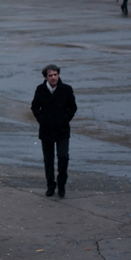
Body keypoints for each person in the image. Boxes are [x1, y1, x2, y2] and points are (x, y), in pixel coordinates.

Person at [30, 64, 77, 198]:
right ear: (46, 77)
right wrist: (42, 119)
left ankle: (61, 185)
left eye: (55, 75)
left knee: (63, 157)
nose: (53, 77)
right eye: (50, 75)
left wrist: (64, 119)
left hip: (62, 129)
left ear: (58, 75)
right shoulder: (40, 89)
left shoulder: (66, 89)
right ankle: (51, 185)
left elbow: (73, 107)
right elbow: (34, 107)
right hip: (46, 129)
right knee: (48, 160)